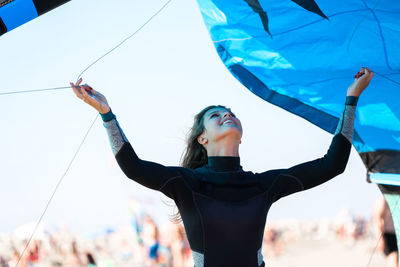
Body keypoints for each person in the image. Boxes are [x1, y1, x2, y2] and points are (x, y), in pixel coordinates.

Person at [71, 67, 374, 267]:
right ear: (202, 138)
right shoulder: (186, 183)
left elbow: (333, 164)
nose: (227, 115)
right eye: (216, 115)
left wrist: (351, 100)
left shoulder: (263, 184)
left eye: (230, 112)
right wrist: (107, 114)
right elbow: (133, 166)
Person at [373, 195, 399, 267]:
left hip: (396, 234)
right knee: (393, 258)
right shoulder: (382, 201)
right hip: (388, 235)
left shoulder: (395, 199)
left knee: (395, 259)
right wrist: (379, 239)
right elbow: (377, 220)